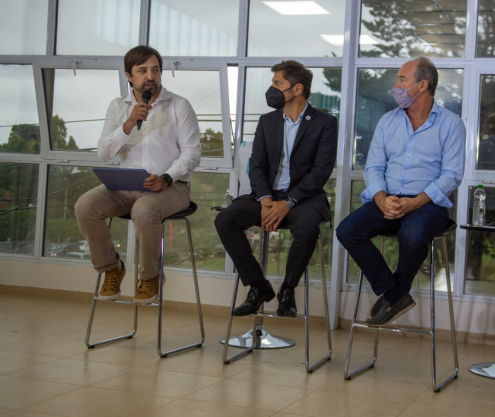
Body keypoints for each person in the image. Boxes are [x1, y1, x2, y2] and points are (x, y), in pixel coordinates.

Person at [336, 57, 465, 327]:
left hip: (428, 203)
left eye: (401, 80)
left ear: (422, 85)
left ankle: (394, 294)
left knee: (413, 235)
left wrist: (417, 202)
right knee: (347, 230)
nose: (396, 86)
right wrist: (381, 198)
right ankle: (394, 293)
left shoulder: (451, 124)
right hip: (388, 198)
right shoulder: (387, 121)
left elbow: (451, 175)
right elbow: (373, 166)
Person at [75, 45, 201, 304]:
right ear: (128, 76)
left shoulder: (179, 105)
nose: (150, 76)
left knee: (144, 211)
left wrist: (166, 177)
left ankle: (150, 275)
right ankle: (111, 269)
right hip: (126, 184)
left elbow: (192, 154)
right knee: (85, 206)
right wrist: (129, 123)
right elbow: (104, 153)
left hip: (172, 187)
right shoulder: (118, 106)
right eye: (142, 71)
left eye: (155, 70)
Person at [214, 60, 337, 318]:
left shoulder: (325, 123)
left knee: (307, 228)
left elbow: (320, 172)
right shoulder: (267, 121)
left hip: (304, 200)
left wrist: (288, 202)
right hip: (267, 197)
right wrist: (267, 199)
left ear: (297, 89)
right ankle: (259, 287)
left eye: (277, 83)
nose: (272, 89)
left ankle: (287, 290)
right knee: (226, 219)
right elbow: (256, 164)